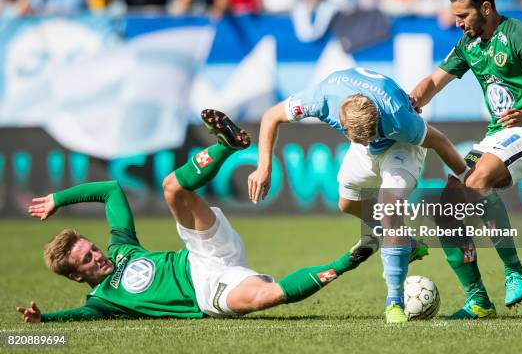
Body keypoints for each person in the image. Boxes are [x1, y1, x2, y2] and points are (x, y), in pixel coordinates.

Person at [16, 109, 374, 323]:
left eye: (92, 247)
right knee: (267, 296)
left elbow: (110, 189)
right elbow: (75, 318)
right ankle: (354, 256)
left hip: (201, 253)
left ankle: (226, 145)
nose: (98, 255)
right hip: (207, 292)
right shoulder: (103, 302)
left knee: (172, 188)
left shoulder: (122, 248)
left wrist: (57, 199)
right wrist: (44, 320)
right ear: (78, 278)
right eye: (88, 260)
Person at [248, 67, 468, 324]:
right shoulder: (320, 99)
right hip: (364, 149)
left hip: (402, 147)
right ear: (341, 123)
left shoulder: (399, 118)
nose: (370, 139)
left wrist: (468, 179)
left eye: (372, 132)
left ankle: (394, 302)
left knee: (388, 209)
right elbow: (271, 116)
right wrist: (264, 166)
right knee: (347, 203)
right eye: (363, 137)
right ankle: (403, 242)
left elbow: (440, 141)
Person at [410, 0, 522, 319]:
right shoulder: (469, 45)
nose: (459, 24)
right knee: (446, 204)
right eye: (455, 17)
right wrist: (410, 100)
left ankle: (514, 272)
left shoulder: (519, 35)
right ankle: (478, 299)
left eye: (463, 16)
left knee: (477, 181)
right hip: (499, 135)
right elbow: (434, 81)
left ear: (486, 8)